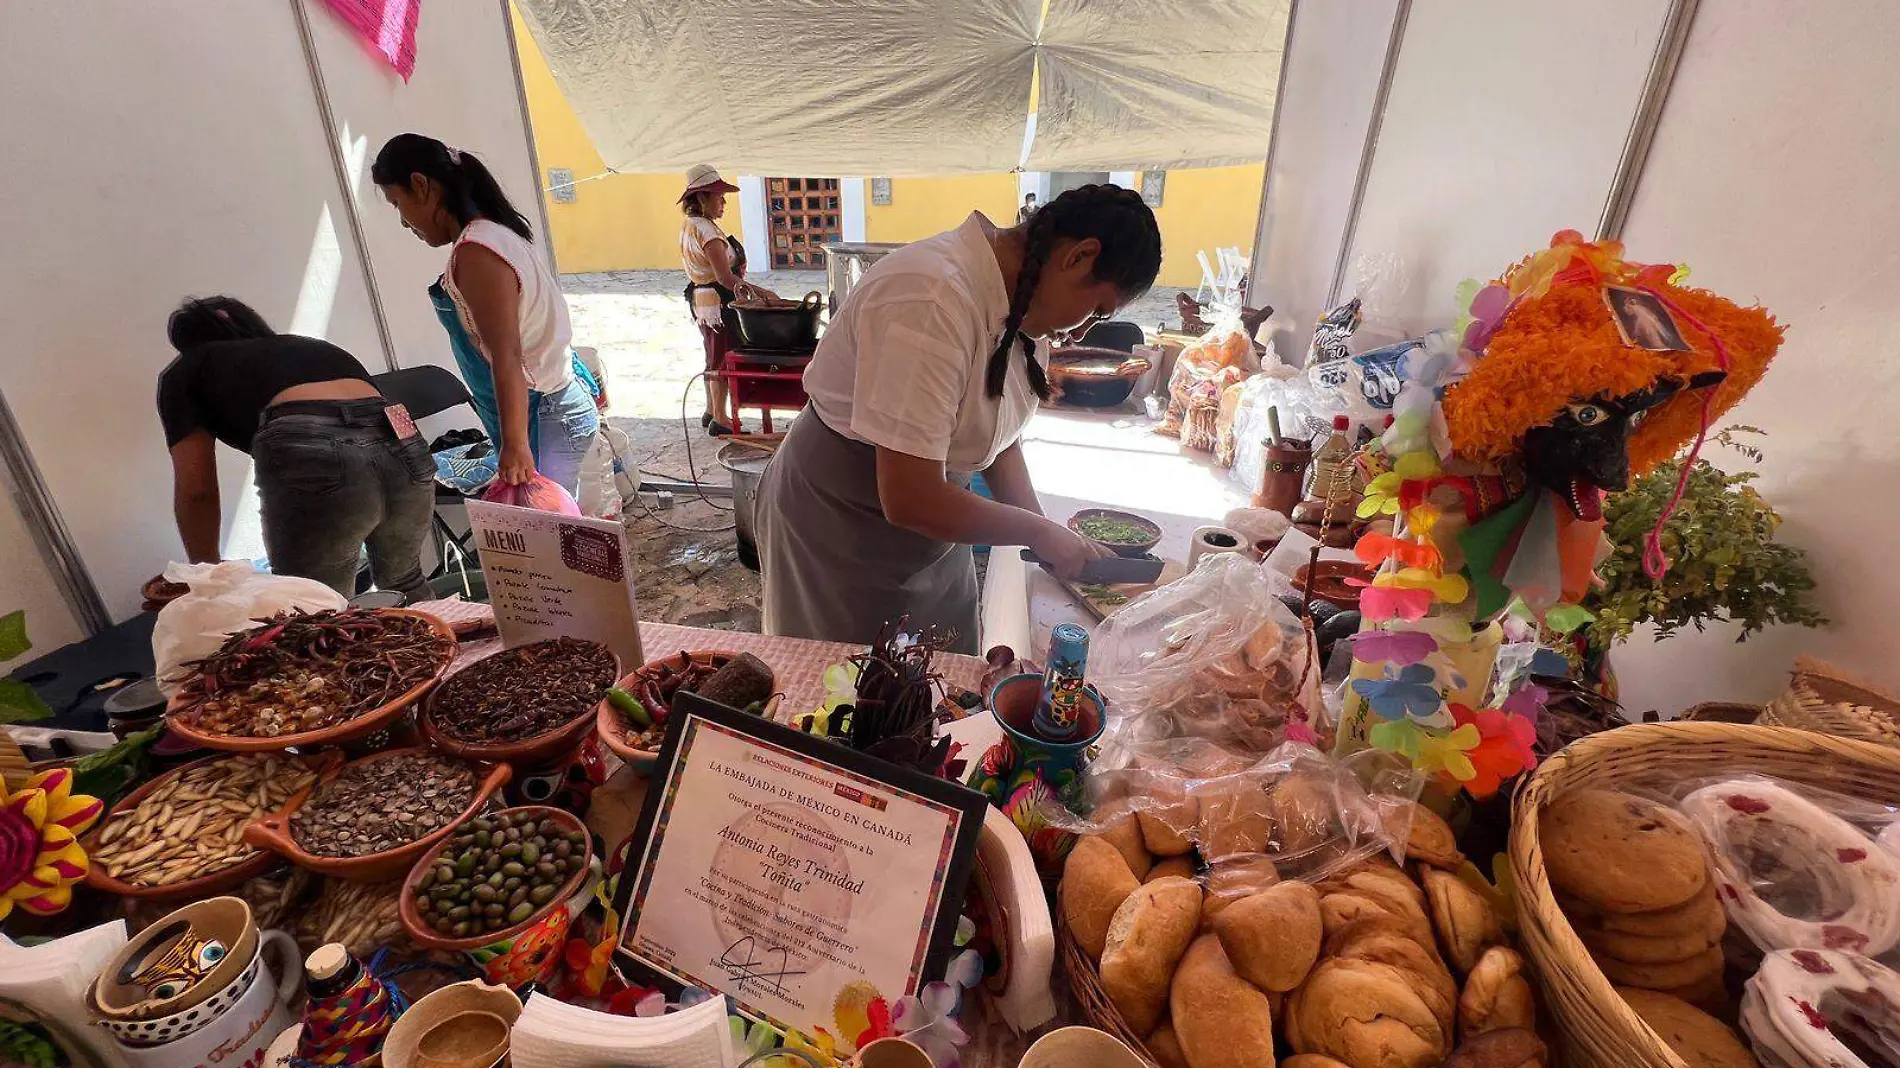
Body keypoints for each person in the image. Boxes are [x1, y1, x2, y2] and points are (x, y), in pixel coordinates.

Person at [755, 184, 1162, 653]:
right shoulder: (930, 299)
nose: (1085, 327)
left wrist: (1039, 524)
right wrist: (1035, 532)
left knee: (941, 674)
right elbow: (911, 497)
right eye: (1097, 309)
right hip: (841, 522)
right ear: (1078, 257)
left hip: (932, 514)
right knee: (849, 691)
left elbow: (995, 434)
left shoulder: (1022, 300)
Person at [156, 296, 435, 602]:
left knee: (314, 605)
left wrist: (206, 574)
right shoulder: (311, 348)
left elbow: (197, 491)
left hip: (316, 449)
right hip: (405, 442)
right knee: (406, 582)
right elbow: (372, 423)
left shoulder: (187, 370)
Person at [371, 134, 598, 496]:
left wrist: (516, 445)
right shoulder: (495, 234)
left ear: (421, 185)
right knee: (547, 537)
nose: (402, 220)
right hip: (547, 408)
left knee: (544, 540)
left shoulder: (477, 251)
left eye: (397, 202)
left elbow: (506, 354)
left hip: (543, 413)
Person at [679, 165, 772, 436]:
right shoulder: (707, 232)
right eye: (719, 197)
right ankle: (721, 419)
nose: (724, 203)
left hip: (701, 300)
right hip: (717, 303)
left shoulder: (691, 225)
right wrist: (761, 293)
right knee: (722, 358)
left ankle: (711, 410)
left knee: (712, 354)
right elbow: (725, 278)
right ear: (703, 198)